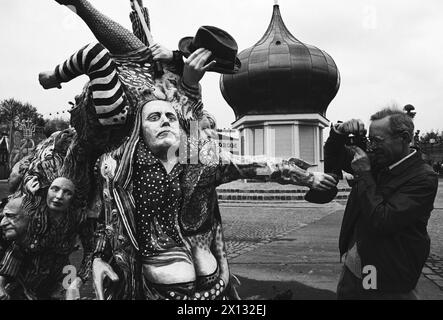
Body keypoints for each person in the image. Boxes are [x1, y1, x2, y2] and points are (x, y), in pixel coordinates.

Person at [325, 107, 438, 299]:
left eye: (377, 140)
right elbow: (335, 156)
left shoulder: (423, 177)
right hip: (355, 264)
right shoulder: (380, 160)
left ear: (403, 138)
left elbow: (382, 221)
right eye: (370, 140)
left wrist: (365, 174)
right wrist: (339, 132)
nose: (371, 147)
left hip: (385, 270)